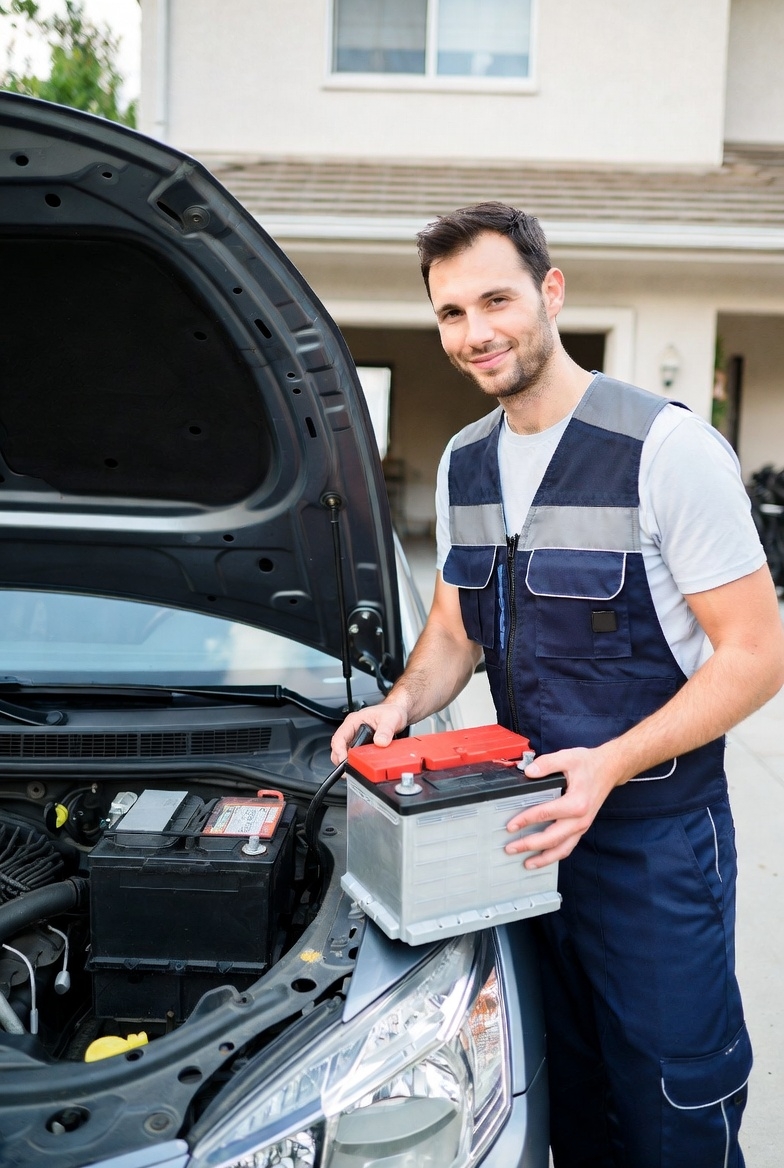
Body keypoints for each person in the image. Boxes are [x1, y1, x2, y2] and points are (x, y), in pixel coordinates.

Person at [331, 202, 784, 1167]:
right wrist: (404, 704)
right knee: (560, 1094)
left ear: (551, 291)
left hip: (653, 844)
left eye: (495, 300)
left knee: (673, 1103)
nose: (475, 332)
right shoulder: (466, 462)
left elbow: (756, 653)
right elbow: (456, 626)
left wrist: (610, 765)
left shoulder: (665, 449)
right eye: (450, 313)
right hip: (523, 841)